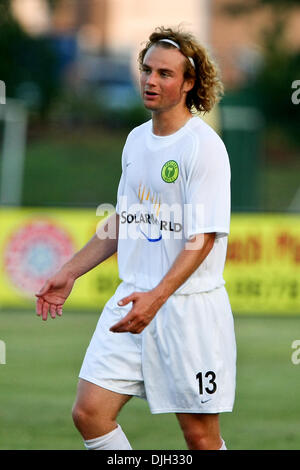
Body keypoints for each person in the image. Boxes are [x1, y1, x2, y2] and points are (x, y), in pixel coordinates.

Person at [36, 25, 236, 451]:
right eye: (147, 69)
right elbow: (123, 220)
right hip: (132, 301)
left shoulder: (204, 147)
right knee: (89, 413)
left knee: (200, 437)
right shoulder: (135, 141)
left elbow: (201, 240)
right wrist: (68, 272)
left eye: (165, 73)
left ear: (188, 83)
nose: (150, 80)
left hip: (187, 311)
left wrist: (158, 297)